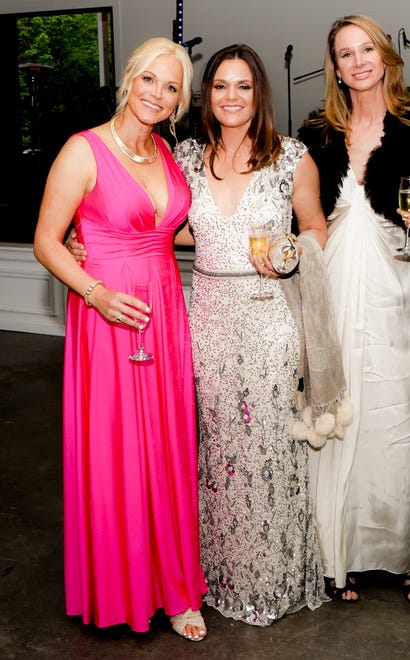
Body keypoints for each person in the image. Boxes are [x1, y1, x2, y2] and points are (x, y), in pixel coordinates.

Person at [33, 37, 207, 641]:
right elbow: (48, 240)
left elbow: (170, 234)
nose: (157, 94)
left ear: (180, 99)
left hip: (164, 308)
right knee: (118, 448)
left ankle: (178, 589)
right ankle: (122, 585)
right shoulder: (82, 150)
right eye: (150, 80)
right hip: (107, 318)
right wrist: (95, 292)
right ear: (129, 78)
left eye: (172, 87)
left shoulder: (165, 151)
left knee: (168, 443)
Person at [173, 44, 332, 626]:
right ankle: (218, 573)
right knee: (217, 446)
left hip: (269, 316)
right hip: (208, 313)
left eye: (243, 86)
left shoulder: (291, 157)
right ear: (206, 94)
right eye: (220, 85)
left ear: (258, 93)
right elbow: (173, 227)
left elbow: (315, 228)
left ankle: (273, 575)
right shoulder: (185, 156)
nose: (231, 97)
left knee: (266, 443)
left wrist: (290, 251)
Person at [297, 14, 410, 602]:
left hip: (391, 283)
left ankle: (401, 549)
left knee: (392, 408)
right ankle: (339, 552)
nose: (358, 61)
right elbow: (296, 213)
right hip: (331, 285)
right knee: (335, 409)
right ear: (334, 66)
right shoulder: (317, 132)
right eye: (344, 52)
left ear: (386, 56)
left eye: (367, 49)